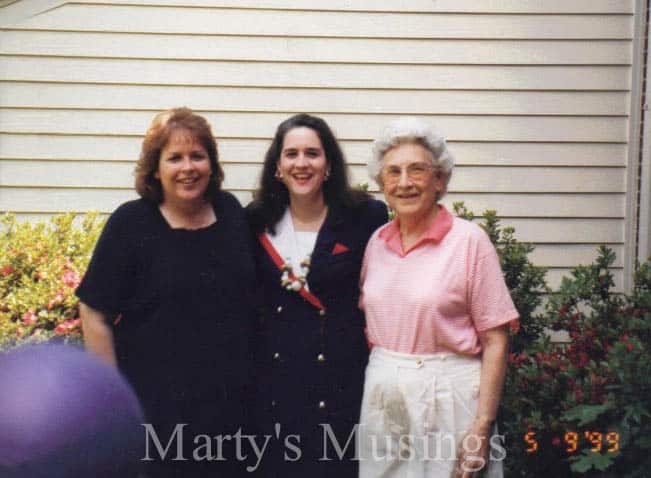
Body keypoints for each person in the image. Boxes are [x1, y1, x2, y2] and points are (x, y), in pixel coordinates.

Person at [76, 108, 256, 477]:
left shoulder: (231, 212)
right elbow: (94, 312)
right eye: (174, 158)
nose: (187, 167)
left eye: (197, 156)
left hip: (232, 409)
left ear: (212, 163)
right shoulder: (131, 224)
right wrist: (114, 398)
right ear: (155, 169)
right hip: (157, 411)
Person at [358, 117, 519, 478]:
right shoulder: (376, 243)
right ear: (382, 183)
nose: (404, 182)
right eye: (393, 172)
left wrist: (482, 426)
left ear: (439, 179)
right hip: (385, 396)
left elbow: (496, 338)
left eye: (417, 170)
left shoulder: (469, 242)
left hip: (453, 397)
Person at [246, 113, 388, 477]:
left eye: (313, 153)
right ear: (277, 166)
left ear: (328, 164)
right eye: (291, 154)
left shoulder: (365, 216)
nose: (302, 163)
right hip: (279, 394)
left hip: (343, 391)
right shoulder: (254, 222)